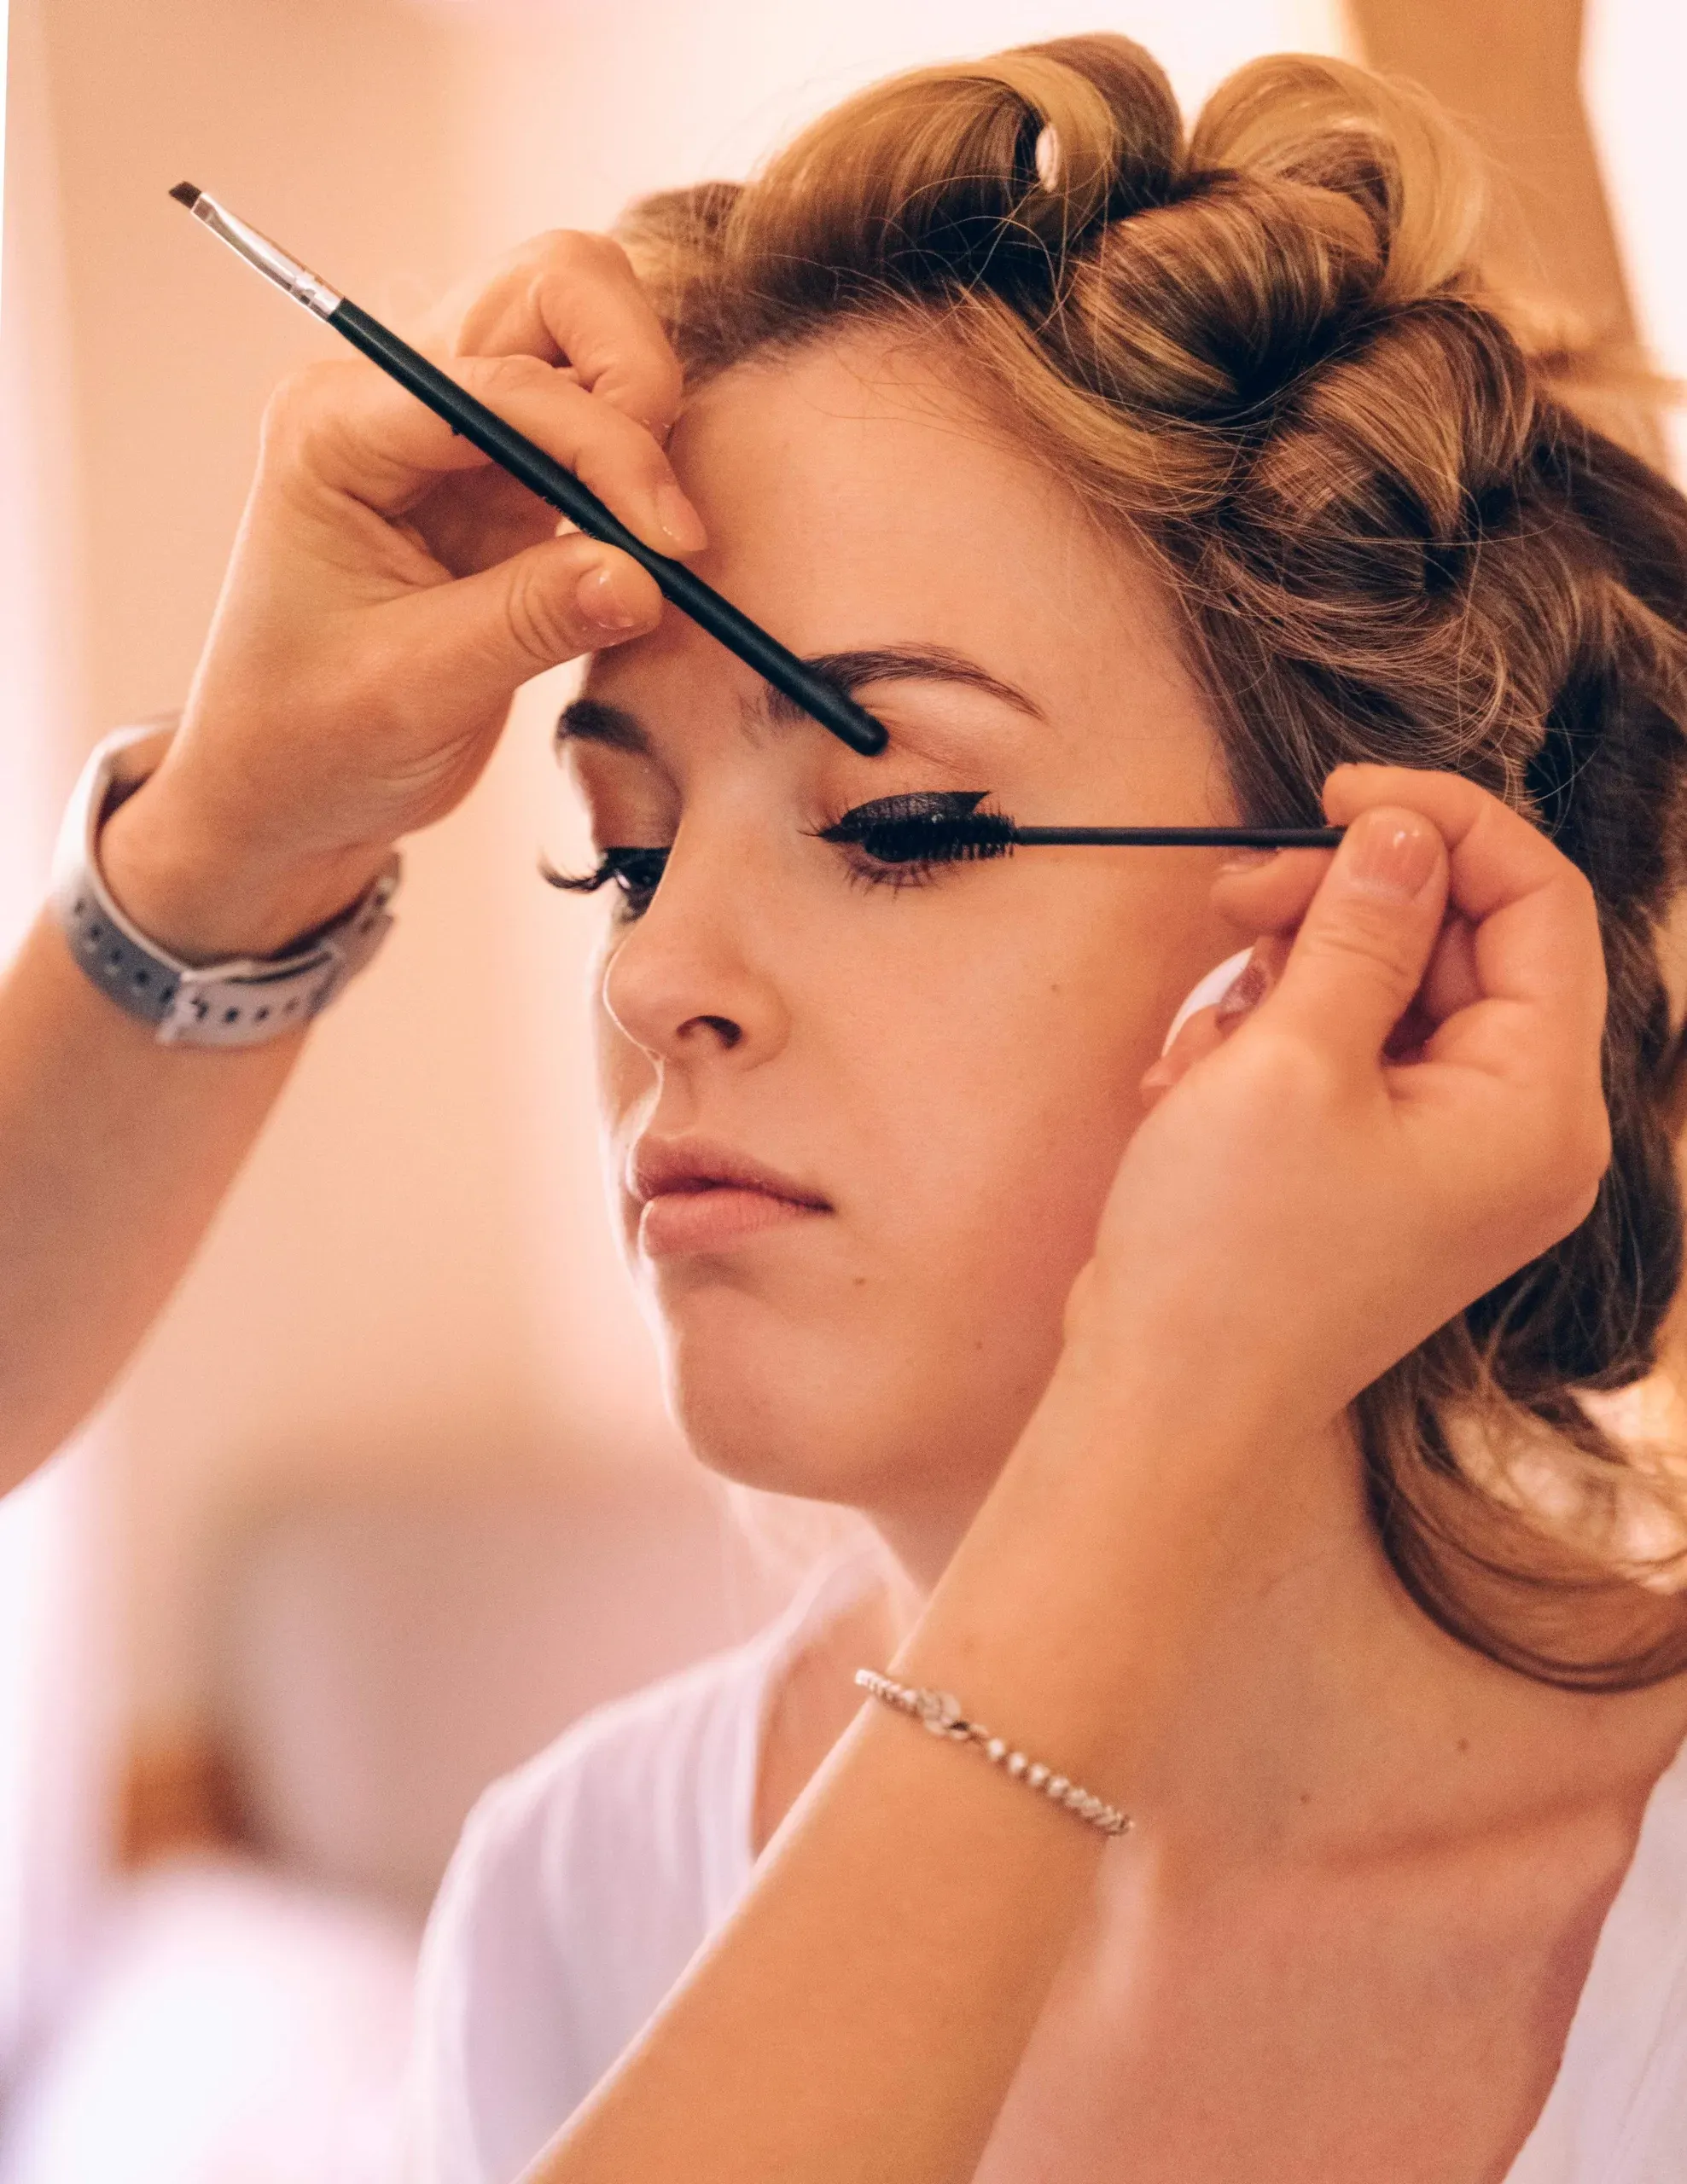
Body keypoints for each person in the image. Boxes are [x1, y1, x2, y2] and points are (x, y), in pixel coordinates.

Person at [4, 32, 1685, 2184]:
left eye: (899, 824)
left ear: (1409, 925)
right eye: (622, 855)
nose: (653, 977)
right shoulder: (569, 1894)